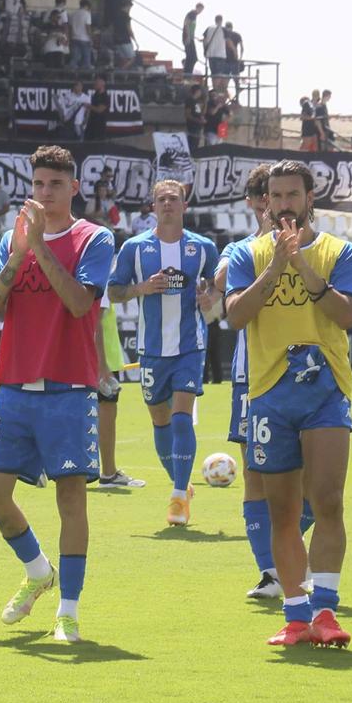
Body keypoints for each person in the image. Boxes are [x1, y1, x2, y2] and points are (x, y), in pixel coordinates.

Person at [0, 146, 115, 643]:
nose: (44, 193)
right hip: (14, 383)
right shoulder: (14, 239)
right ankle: (38, 569)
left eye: (54, 184)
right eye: (37, 184)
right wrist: (18, 252)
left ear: (72, 188)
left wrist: (40, 247)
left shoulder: (94, 239)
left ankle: (69, 611)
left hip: (68, 387)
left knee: (71, 500)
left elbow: (80, 304)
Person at [224, 160, 352, 648]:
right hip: (267, 395)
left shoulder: (338, 252)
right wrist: (276, 266)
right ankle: (296, 616)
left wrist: (300, 265)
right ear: (265, 202)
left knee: (327, 502)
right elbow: (236, 317)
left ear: (309, 200)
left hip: (325, 392)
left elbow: (346, 316)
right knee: (282, 514)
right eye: (276, 196)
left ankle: (326, 611)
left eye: (293, 195)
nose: (284, 204)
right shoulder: (247, 254)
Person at [219, 164, 308, 600]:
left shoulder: (318, 248)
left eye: (274, 196)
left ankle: (289, 549)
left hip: (311, 376)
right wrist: (267, 252)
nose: (269, 206)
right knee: (256, 476)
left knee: (311, 483)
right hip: (250, 375)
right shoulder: (242, 250)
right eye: (262, 198)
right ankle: (271, 572)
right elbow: (223, 292)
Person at [109, 180, 221, 526]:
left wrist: (211, 297)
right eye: (162, 199)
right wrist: (141, 288)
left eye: (174, 199)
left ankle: (176, 498)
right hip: (152, 348)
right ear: (153, 207)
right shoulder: (134, 248)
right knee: (160, 418)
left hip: (190, 345)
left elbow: (220, 283)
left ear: (184, 206)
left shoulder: (202, 247)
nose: (168, 204)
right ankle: (183, 484)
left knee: (181, 415)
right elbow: (113, 292)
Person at [94, 306, 146, 490]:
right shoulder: (100, 277)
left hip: (104, 357)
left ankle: (108, 472)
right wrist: (102, 366)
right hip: (102, 359)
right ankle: (108, 473)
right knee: (105, 413)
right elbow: (95, 319)